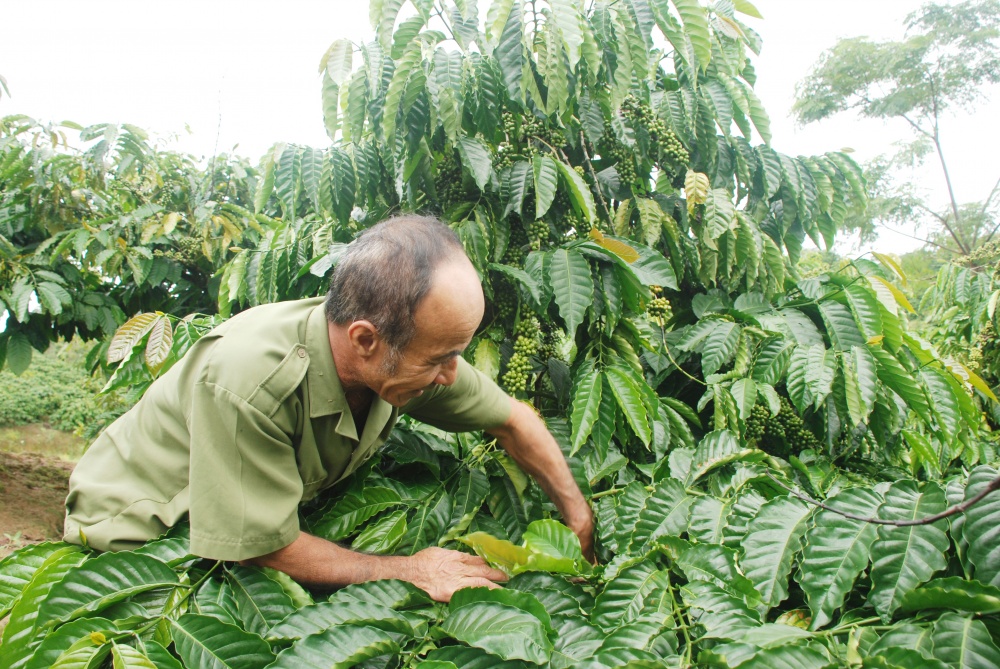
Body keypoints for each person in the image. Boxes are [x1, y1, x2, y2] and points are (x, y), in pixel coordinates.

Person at [64, 214, 594, 602]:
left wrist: (579, 518)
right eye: (441, 357)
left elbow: (514, 420)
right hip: (140, 531)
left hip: (247, 520)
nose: (451, 375)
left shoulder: (408, 357)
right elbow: (259, 544)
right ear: (366, 339)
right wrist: (411, 569)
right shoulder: (249, 379)